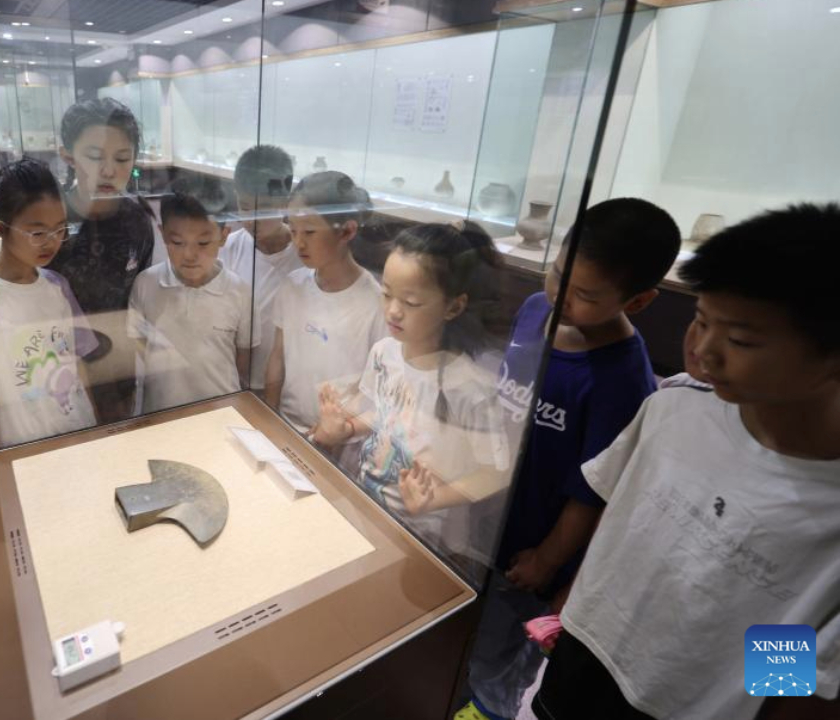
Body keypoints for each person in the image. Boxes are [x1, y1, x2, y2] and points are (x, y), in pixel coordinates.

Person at [532, 203, 840, 720]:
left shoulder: (825, 507)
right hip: (588, 654)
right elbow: (621, 514)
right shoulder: (672, 410)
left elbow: (803, 645)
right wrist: (578, 600)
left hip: (686, 703)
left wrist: (740, 697)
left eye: (740, 339)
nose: (703, 350)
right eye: (700, 320)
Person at [460, 198, 681, 720]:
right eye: (558, 275)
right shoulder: (536, 309)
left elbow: (595, 488)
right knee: (471, 633)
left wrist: (549, 560)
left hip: (531, 546)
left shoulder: (622, 378)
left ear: (641, 300)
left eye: (583, 294)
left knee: (501, 654)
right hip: (486, 516)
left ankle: (487, 710)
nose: (559, 297)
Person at [312, 223, 510, 562]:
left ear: (453, 307)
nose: (392, 310)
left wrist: (434, 498)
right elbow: (385, 415)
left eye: (411, 301)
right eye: (387, 293)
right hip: (368, 504)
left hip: (424, 534)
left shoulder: (471, 389)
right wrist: (346, 429)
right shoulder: (385, 352)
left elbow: (495, 473)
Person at [0, 159, 97, 451]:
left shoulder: (57, 285)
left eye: (60, 229)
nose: (51, 243)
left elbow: (78, 363)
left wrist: (93, 429)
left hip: (76, 436)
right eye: (37, 233)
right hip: (23, 448)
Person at [49, 98, 155, 421]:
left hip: (117, 370)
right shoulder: (51, 219)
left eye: (123, 158)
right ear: (67, 156)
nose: (109, 170)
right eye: (94, 157)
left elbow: (139, 298)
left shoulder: (137, 221)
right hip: (56, 373)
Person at [265, 171, 388, 446]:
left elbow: (381, 392)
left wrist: (336, 431)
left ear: (347, 230)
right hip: (287, 427)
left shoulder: (376, 303)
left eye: (309, 232)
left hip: (343, 440)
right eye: (293, 230)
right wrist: (268, 415)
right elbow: (277, 357)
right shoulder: (293, 285)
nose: (298, 242)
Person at [128, 176, 254, 413]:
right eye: (177, 242)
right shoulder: (145, 284)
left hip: (221, 415)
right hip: (160, 416)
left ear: (224, 235)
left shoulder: (239, 291)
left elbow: (243, 362)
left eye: (203, 243)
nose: (189, 254)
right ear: (163, 234)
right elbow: (137, 355)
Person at [218, 144, 301, 391]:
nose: (252, 220)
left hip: (285, 388)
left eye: (264, 208)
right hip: (235, 381)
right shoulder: (229, 248)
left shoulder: (304, 256)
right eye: (245, 207)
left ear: (286, 202)